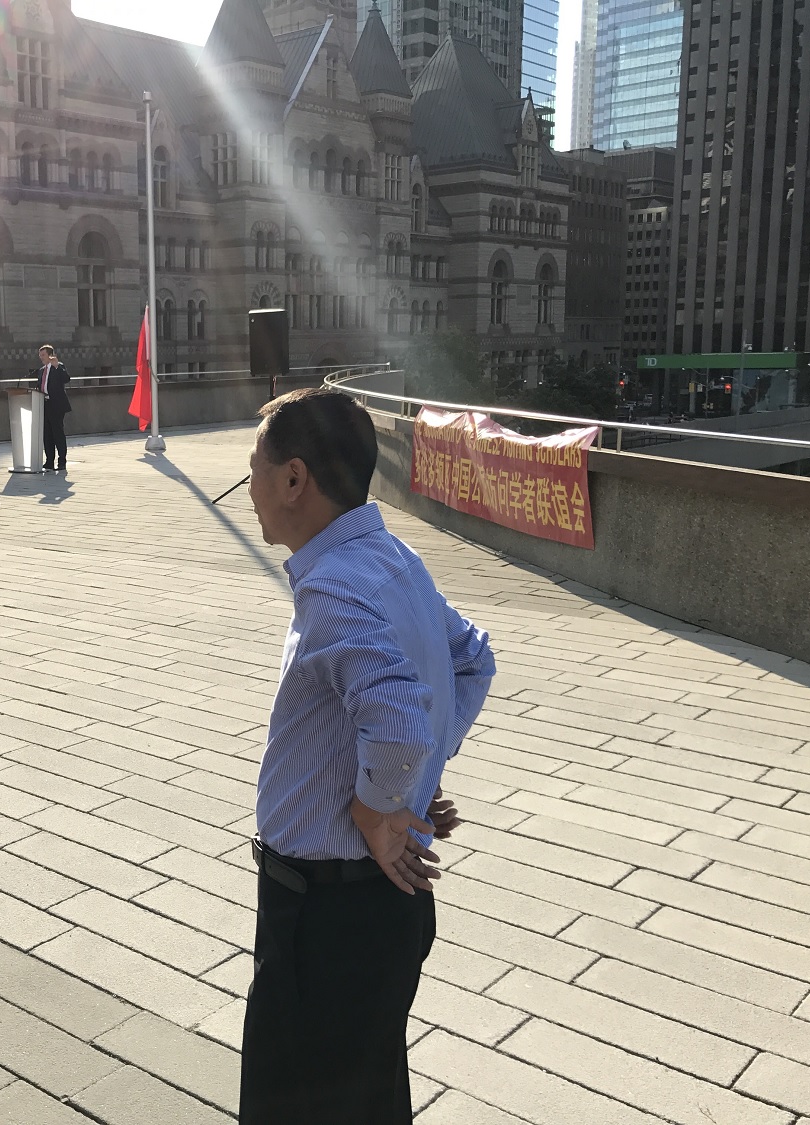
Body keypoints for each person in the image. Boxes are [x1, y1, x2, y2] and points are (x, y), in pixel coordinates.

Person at [237, 388, 495, 1125]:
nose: (249, 488)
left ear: (293, 479)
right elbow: (472, 661)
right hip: (377, 911)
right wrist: (411, 791)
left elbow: (399, 718)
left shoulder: (332, 585)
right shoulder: (391, 557)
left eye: (252, 468)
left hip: (329, 918)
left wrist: (380, 806)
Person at [34, 344, 72, 471]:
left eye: (43, 355)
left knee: (58, 433)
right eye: (40, 355)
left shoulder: (58, 366)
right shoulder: (41, 371)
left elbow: (66, 379)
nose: (41, 358)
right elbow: (40, 387)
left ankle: (62, 461)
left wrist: (56, 366)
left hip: (57, 406)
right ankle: (49, 461)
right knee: (47, 435)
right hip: (44, 404)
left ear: (50, 355)